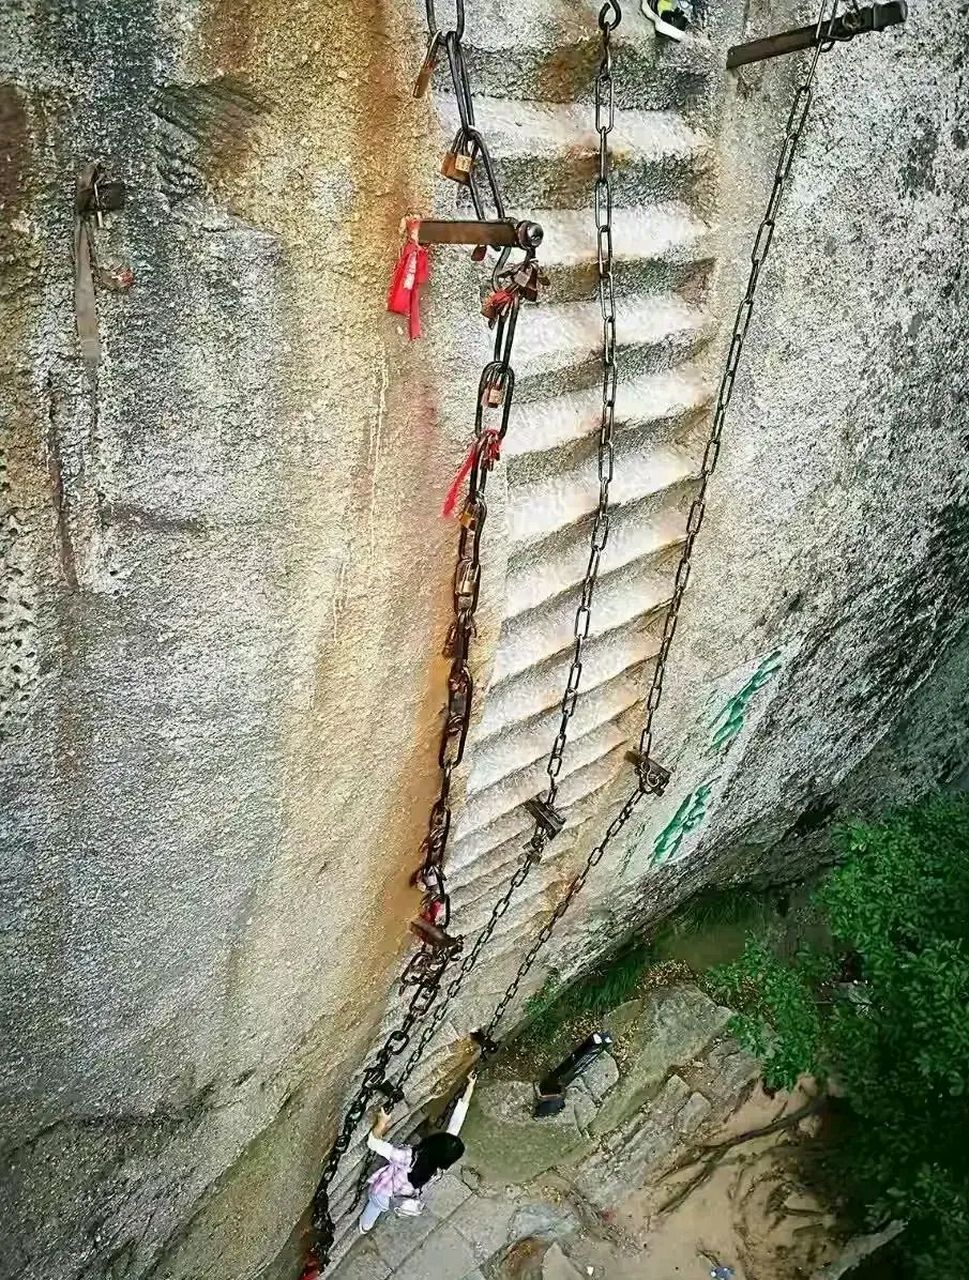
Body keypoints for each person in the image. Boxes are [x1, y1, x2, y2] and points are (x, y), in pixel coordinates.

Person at [358, 1072, 477, 1233]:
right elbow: (456, 1123)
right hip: (404, 1192)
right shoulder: (438, 1166)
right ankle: (365, 1227)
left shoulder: (407, 1158)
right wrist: (470, 1086)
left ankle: (365, 1226)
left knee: (374, 1207)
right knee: (378, 1209)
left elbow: (373, 1143)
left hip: (383, 1192)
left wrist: (381, 1122)